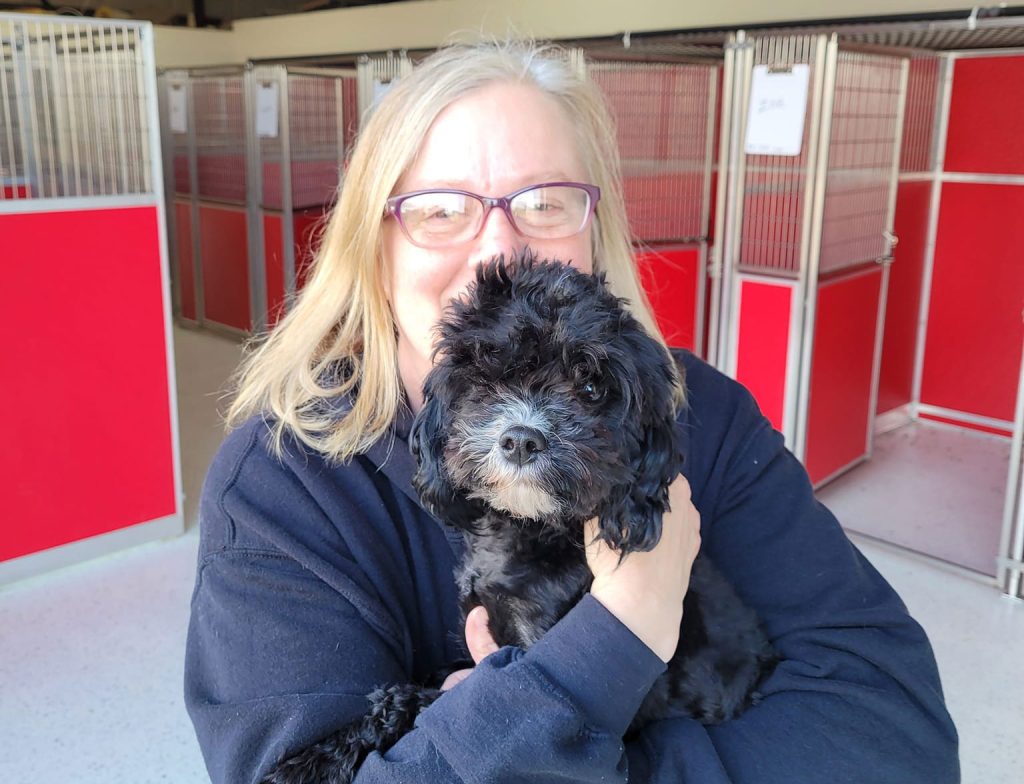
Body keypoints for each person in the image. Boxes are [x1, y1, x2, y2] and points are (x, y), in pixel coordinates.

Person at [184, 39, 959, 783]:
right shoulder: (280, 484)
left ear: (594, 233)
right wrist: (616, 638)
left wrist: (524, 748)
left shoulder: (695, 413)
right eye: (440, 210)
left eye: (545, 203)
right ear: (373, 245)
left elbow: (895, 728)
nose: (496, 251)